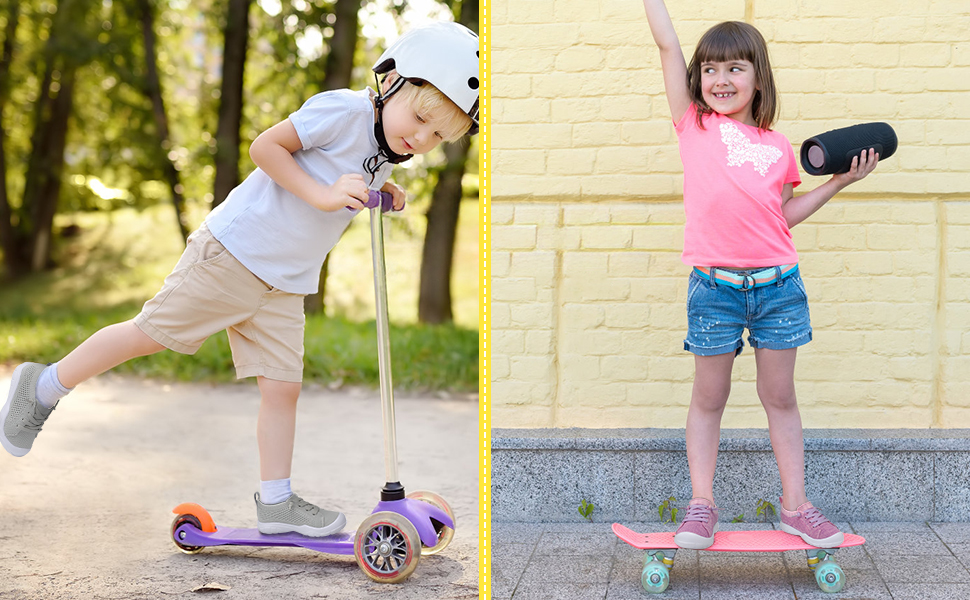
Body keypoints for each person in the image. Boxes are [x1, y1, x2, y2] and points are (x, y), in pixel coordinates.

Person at [1, 21, 479, 538]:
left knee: (283, 388)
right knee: (148, 334)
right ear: (391, 84)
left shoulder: (390, 150)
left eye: (438, 136)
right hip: (234, 254)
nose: (421, 138)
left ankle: (276, 503)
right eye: (421, 119)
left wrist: (388, 192)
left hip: (285, 282)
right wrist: (321, 194)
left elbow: (352, 177)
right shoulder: (343, 111)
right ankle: (43, 385)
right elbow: (265, 148)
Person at [640, 0, 878, 549]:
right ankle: (701, 507)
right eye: (710, 69)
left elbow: (784, 214)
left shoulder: (776, 147)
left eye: (735, 68)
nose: (720, 80)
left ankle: (796, 507)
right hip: (714, 289)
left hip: (778, 288)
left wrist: (838, 183)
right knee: (709, 398)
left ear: (758, 76)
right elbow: (668, 46)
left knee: (781, 397)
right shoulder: (693, 124)